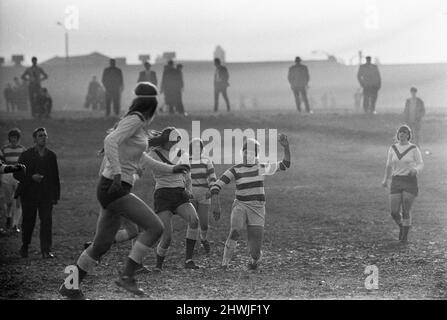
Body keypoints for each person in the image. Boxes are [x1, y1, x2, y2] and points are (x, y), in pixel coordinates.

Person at [59, 82, 190, 299]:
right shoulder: (136, 119)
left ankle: (70, 285)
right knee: (155, 227)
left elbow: (143, 158)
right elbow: (109, 140)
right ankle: (127, 276)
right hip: (114, 187)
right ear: (152, 104)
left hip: (112, 187)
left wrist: (172, 168)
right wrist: (119, 173)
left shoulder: (136, 124)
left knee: (100, 245)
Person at [210, 135, 291, 270]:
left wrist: (286, 147)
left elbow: (285, 164)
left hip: (257, 208)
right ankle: (224, 264)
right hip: (240, 205)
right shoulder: (235, 169)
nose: (249, 154)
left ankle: (254, 260)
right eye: (247, 151)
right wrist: (216, 204)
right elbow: (216, 186)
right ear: (243, 152)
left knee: (255, 251)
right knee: (235, 230)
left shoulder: (262, 167)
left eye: (253, 152)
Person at [146, 127, 201, 271]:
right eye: (171, 142)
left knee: (194, 220)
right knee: (167, 237)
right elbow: (144, 165)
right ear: (165, 140)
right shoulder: (153, 154)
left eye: (176, 142)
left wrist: (188, 190)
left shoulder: (181, 154)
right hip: (163, 194)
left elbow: (188, 176)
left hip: (179, 193)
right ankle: (158, 265)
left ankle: (188, 260)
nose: (173, 144)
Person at [13, 128, 60, 259]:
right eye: (40, 136)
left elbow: (55, 177)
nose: (43, 138)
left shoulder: (51, 156)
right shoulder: (26, 155)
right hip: (29, 194)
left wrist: (55, 196)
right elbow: (17, 174)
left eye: (45, 136)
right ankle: (25, 247)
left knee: (46, 222)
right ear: (34, 139)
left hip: (46, 195)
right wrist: (31, 177)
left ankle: (46, 250)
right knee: (28, 222)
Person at [381, 125, 424, 243]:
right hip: (396, 180)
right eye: (400, 132)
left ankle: (404, 236)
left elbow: (420, 163)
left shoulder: (414, 148)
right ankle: (402, 226)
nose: (402, 135)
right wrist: (385, 179)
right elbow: (389, 165)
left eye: (405, 133)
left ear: (408, 135)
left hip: (410, 181)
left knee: (406, 208)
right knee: (394, 211)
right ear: (397, 134)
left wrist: (416, 170)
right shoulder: (393, 148)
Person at [189, 138, 217, 254]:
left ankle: (204, 239)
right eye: (194, 147)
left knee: (204, 223)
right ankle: (192, 245)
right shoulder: (187, 161)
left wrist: (211, 189)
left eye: (199, 147)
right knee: (193, 221)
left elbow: (212, 177)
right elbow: (182, 177)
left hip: (204, 194)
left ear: (201, 148)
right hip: (191, 194)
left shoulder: (206, 161)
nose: (197, 149)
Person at [0, 128, 26, 232]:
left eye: (15, 137)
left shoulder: (23, 150)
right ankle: (8, 217)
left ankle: (16, 225)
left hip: (19, 178)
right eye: (12, 137)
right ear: (9, 138)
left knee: (18, 201)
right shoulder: (4, 149)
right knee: (9, 201)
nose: (14, 139)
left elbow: (26, 164)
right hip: (7, 177)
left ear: (18, 138)